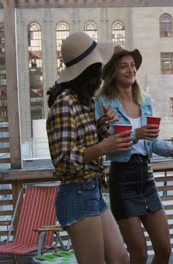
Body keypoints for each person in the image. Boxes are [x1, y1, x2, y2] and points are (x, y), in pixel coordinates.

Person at [46, 32, 130, 264]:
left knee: (121, 258)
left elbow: (84, 144)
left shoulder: (83, 101)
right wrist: (103, 146)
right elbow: (63, 161)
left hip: (92, 191)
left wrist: (101, 126)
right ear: (89, 71)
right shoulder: (64, 104)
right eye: (99, 68)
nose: (102, 75)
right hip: (77, 193)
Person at [95, 46, 173, 264]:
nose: (130, 69)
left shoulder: (145, 101)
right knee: (139, 253)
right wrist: (137, 134)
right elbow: (105, 145)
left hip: (147, 176)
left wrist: (169, 149)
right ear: (113, 72)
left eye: (132, 65)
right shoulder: (103, 103)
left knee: (165, 248)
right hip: (122, 179)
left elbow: (149, 141)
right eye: (123, 66)